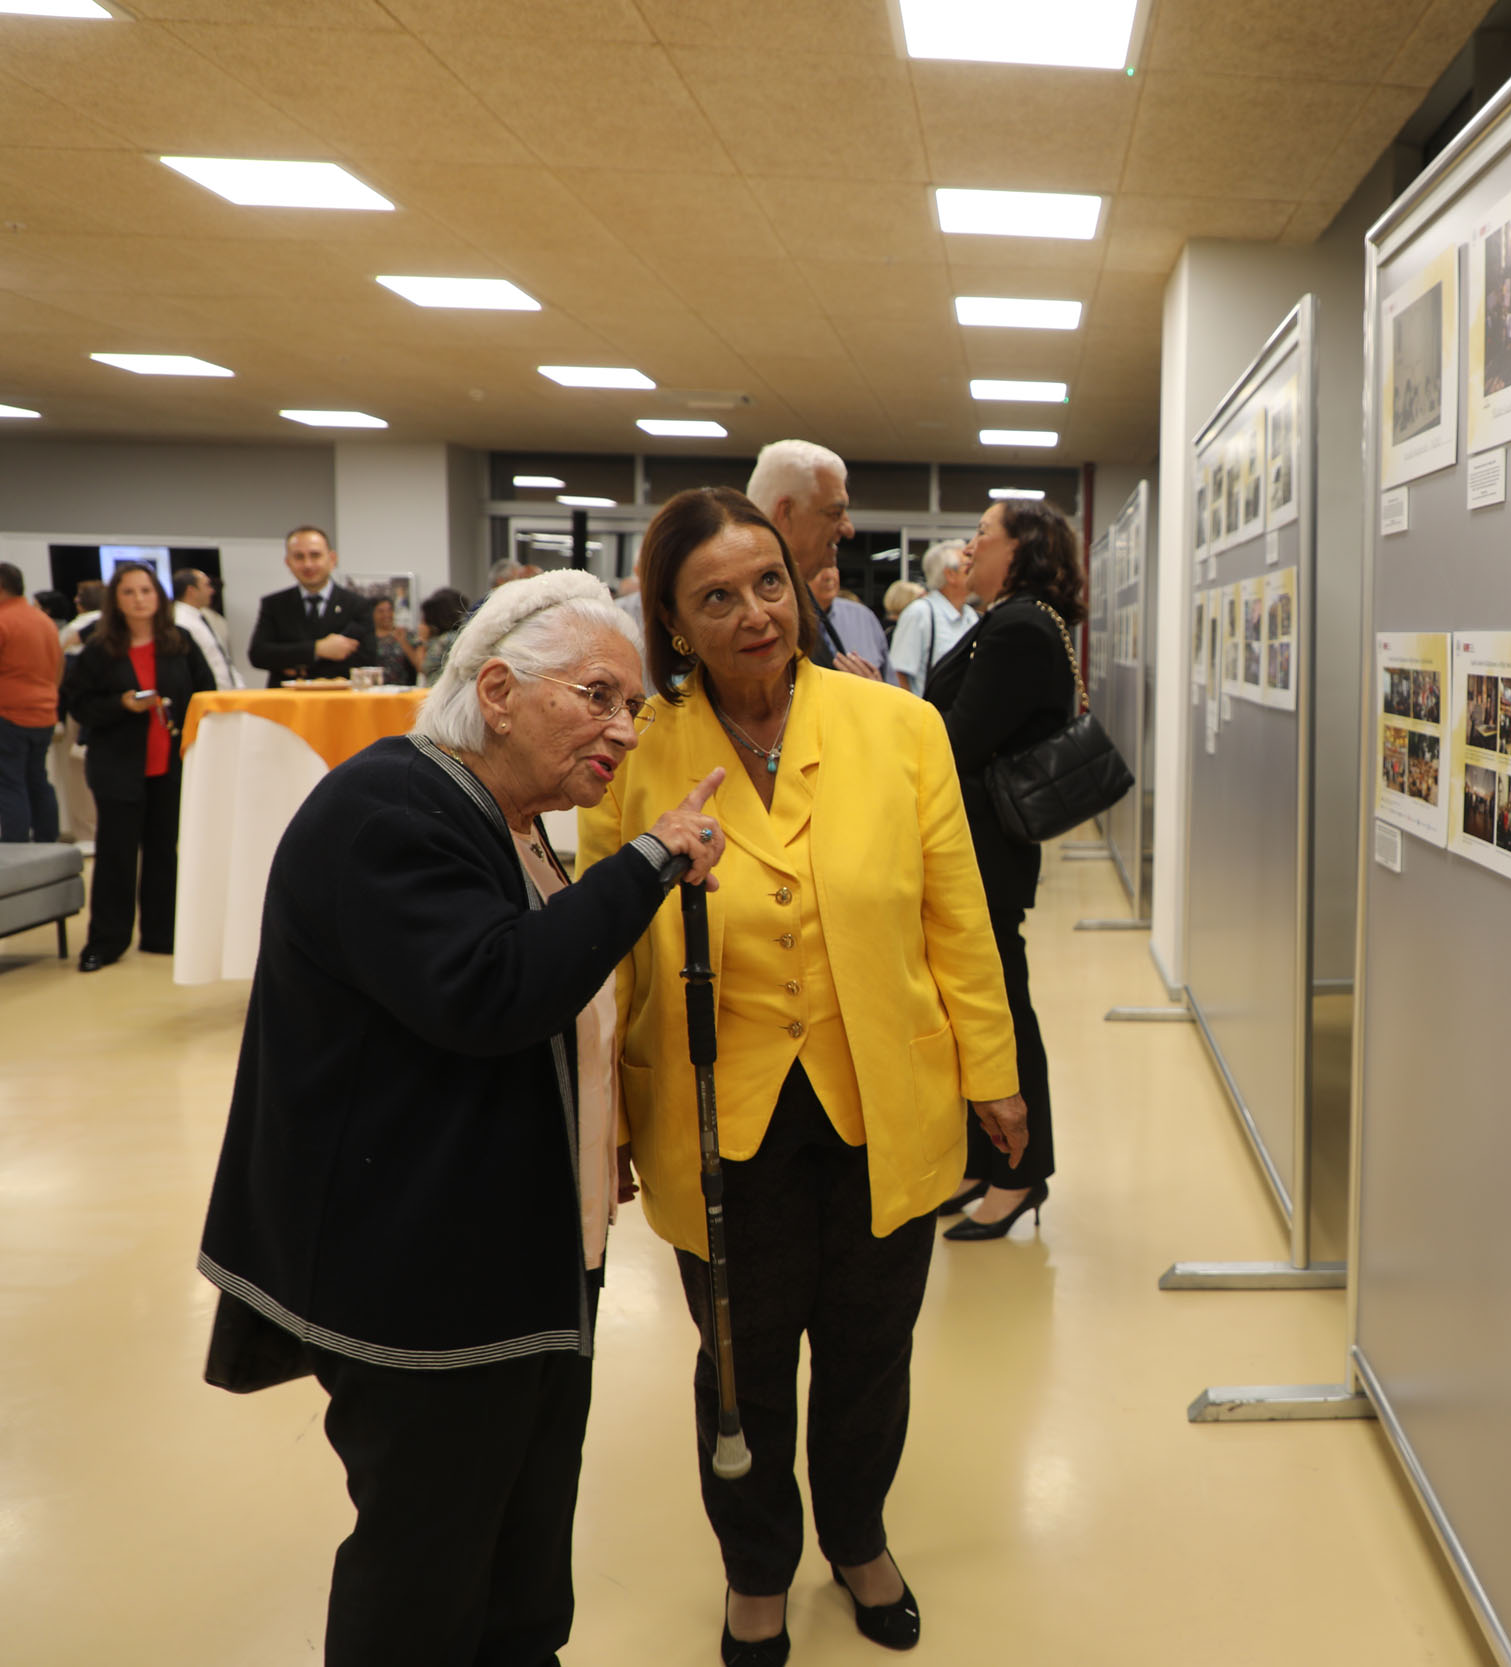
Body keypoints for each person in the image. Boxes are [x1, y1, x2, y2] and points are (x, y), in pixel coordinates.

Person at [198, 571, 727, 1665]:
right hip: (424, 1282)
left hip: (515, 1264)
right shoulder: (390, 809)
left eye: (634, 706)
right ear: (496, 689)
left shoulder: (500, 813)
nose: (624, 730)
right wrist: (651, 858)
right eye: (599, 696)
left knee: (520, 1567)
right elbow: (494, 991)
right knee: (427, 1572)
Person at [577, 487, 1023, 1664]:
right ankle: (756, 1569)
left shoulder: (898, 728)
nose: (753, 614)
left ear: (800, 583)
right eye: (713, 597)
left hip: (885, 1095)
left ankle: (861, 1536)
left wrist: (994, 1070)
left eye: (768, 582)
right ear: (671, 622)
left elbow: (956, 918)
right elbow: (605, 950)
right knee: (741, 1354)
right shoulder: (638, 753)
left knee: (873, 1346)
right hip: (718, 1106)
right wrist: (604, 1117)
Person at [923, 498, 1087, 1241]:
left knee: (999, 1011)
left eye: (981, 534)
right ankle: (982, 1160)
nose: (968, 548)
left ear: (1020, 548)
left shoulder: (1019, 627)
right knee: (975, 1007)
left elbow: (957, 739)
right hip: (978, 846)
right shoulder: (1012, 620)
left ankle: (1021, 1173)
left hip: (984, 850)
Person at [61, 565, 215, 969]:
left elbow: (205, 693)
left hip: (170, 762)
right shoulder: (99, 649)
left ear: (158, 596)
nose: (139, 599)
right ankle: (107, 942)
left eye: (146, 590)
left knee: (164, 850)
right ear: (117, 600)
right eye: (129, 592)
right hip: (118, 765)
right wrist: (122, 705)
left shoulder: (179, 643)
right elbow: (78, 703)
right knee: (116, 854)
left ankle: (162, 935)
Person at [745, 440, 887, 682]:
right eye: (835, 513)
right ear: (785, 512)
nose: (849, 529)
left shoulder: (797, 592)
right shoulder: (750, 610)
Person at [248, 525, 376, 685]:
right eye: (299, 557)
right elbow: (259, 655)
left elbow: (367, 658)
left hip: (339, 702)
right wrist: (318, 649)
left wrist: (291, 660)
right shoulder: (274, 604)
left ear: (332, 559)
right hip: (288, 703)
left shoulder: (357, 605)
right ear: (288, 562)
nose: (308, 564)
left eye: (315, 555)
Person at [0, 562, 62, 844]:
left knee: (10, 784)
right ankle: (47, 844)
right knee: (37, 781)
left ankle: (15, 853)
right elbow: (58, 668)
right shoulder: (43, 621)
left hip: (9, 714)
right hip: (44, 713)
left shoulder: (4, 621)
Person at [887, 542, 979, 697]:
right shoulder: (920, 613)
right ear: (950, 574)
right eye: (967, 566)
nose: (973, 571)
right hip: (928, 717)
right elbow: (898, 675)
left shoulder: (972, 616)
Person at [171, 569, 241, 690]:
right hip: (208, 696)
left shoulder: (200, 616)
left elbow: (219, 657)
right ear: (191, 591)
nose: (212, 591)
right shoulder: (180, 621)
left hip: (222, 693)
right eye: (207, 585)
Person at [416, 586, 469, 686]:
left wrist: (422, 639)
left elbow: (423, 667)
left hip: (441, 692)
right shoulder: (462, 634)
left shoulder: (444, 640)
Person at [368, 596, 420, 686]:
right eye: (381, 611)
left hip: (404, 690)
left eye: (389, 610)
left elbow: (419, 664)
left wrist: (403, 642)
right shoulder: (367, 638)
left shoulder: (406, 634)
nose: (386, 614)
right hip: (375, 691)